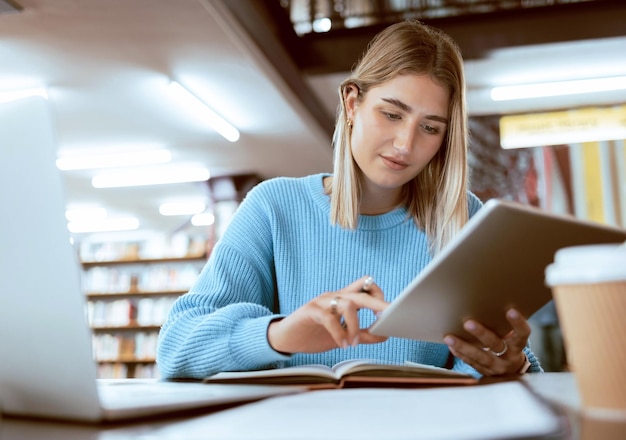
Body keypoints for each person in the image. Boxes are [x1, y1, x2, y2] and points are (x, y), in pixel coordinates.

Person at [157, 19, 542, 379]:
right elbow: (175, 349)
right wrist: (283, 334)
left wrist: (513, 364)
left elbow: (505, 365)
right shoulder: (273, 207)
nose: (405, 145)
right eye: (392, 114)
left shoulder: (465, 220)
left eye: (429, 127)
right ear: (352, 103)